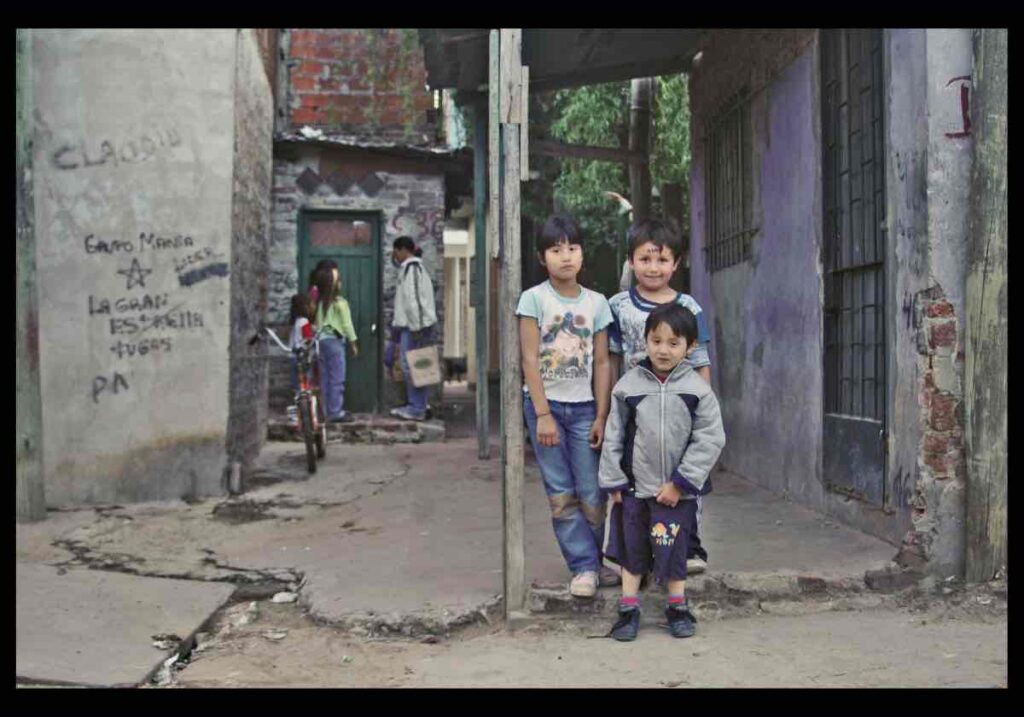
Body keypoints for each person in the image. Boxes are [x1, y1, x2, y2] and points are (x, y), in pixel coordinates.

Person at [599, 303, 725, 640]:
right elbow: (615, 433)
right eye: (656, 341)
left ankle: (677, 607)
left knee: (673, 550)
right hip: (634, 490)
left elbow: (711, 438)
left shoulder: (697, 391)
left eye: (673, 343)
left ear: (690, 347)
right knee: (632, 550)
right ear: (645, 341)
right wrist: (614, 479)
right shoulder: (628, 386)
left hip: (674, 492)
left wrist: (680, 483)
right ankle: (628, 610)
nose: (663, 350)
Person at [516, 213, 620, 599]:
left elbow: (604, 362)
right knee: (561, 491)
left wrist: (602, 414)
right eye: (556, 249)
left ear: (582, 254)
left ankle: (592, 563)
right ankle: (583, 567)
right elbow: (529, 359)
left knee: (592, 491)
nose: (566, 256)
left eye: (572, 248)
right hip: (546, 409)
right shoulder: (534, 299)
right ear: (543, 257)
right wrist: (542, 414)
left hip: (584, 409)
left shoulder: (597, 303)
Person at [607, 217, 714, 576]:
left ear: (676, 263)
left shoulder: (690, 308)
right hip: (636, 410)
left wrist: (702, 408)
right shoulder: (619, 305)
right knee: (635, 482)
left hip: (679, 410)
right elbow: (611, 358)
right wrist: (609, 409)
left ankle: (690, 548)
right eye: (645, 259)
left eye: (662, 259)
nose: (653, 268)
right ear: (631, 261)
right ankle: (635, 553)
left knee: (683, 478)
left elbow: (700, 363)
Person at [389, 236, 437, 422]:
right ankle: (420, 405)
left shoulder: (412, 269)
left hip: (416, 326)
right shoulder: (410, 269)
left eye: (395, 251)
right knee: (419, 365)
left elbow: (415, 300)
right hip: (414, 325)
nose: (394, 256)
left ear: (402, 250)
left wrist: (417, 328)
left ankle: (416, 408)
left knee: (413, 366)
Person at [312, 265, 358, 423]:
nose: (341, 283)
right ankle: (335, 411)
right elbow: (347, 325)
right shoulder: (340, 302)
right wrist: (353, 342)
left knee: (324, 378)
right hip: (335, 341)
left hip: (321, 341)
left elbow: (317, 324)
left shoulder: (320, 303)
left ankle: (323, 411)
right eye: (338, 280)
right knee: (337, 378)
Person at [288, 293, 315, 390]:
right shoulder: (304, 322)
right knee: (305, 382)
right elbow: (308, 338)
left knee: (296, 384)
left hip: (292, 356)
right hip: (302, 357)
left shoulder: (295, 322)